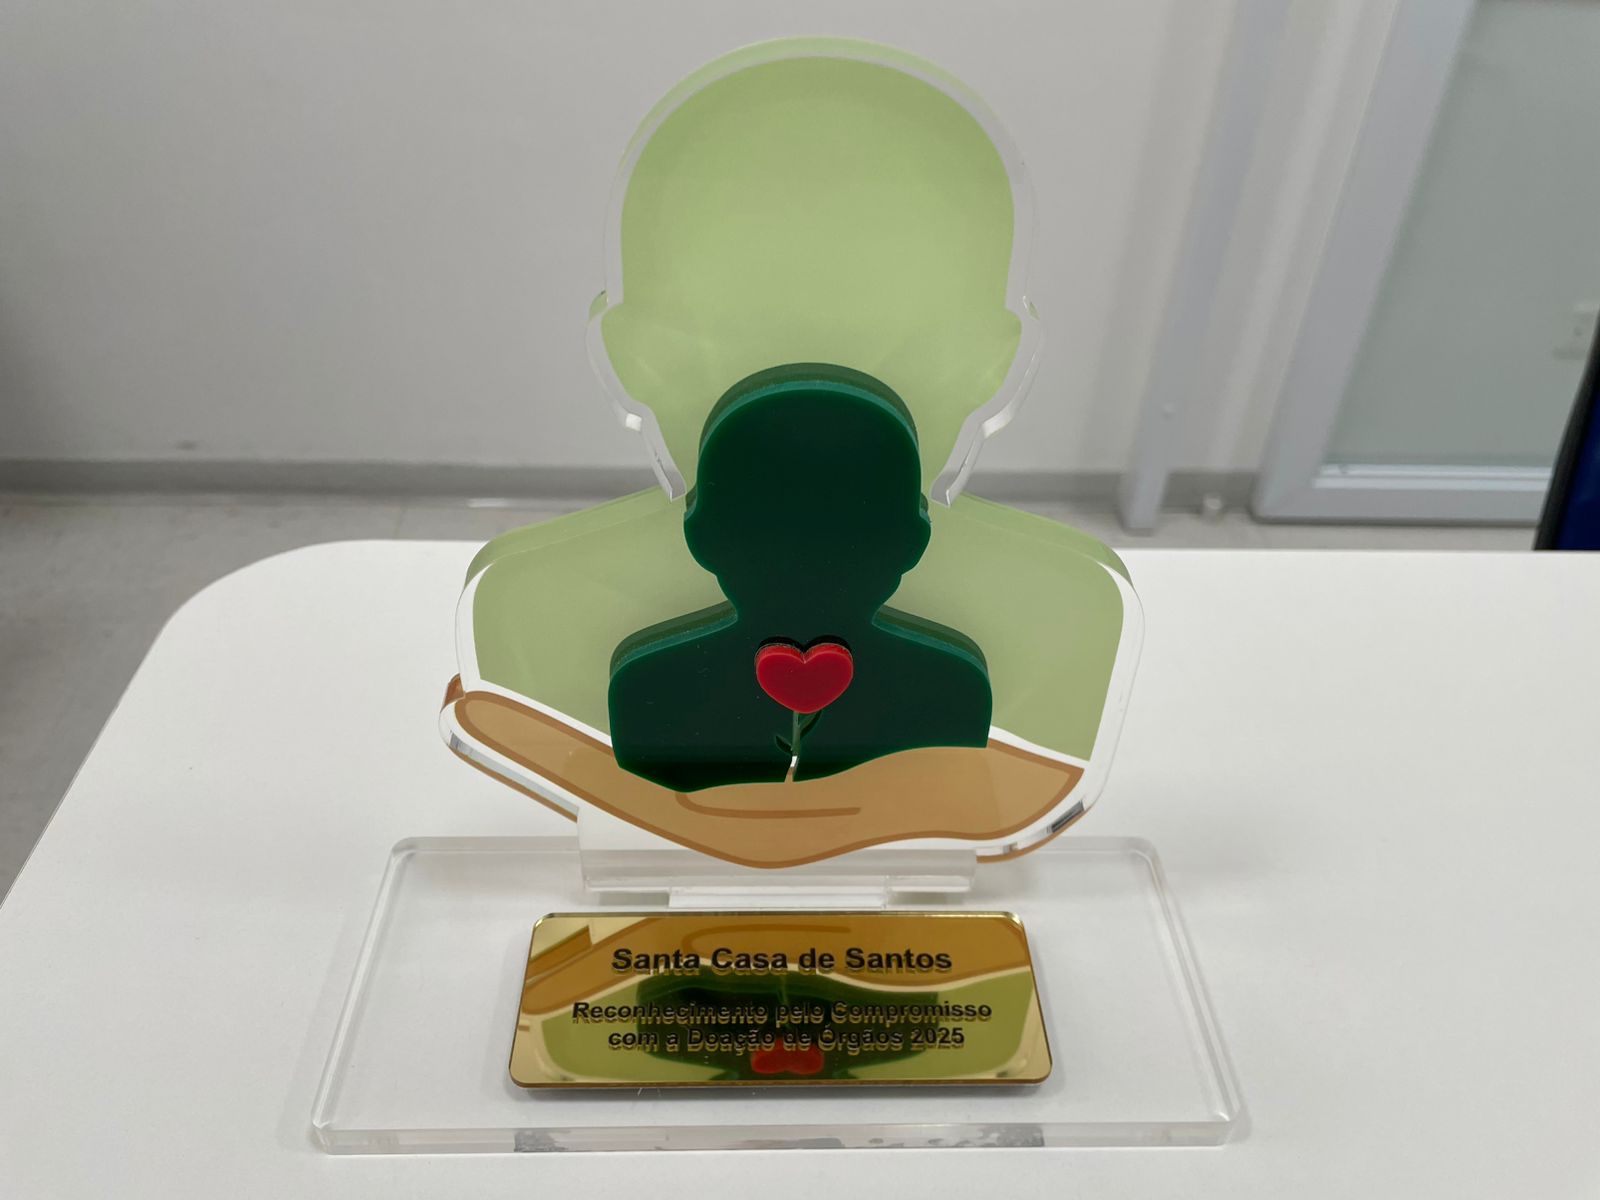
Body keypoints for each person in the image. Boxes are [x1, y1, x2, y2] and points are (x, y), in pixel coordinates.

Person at [608, 363, 993, 792]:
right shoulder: (952, 692)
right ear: (914, 538)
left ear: (699, 534)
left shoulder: (650, 691)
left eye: (847, 533)